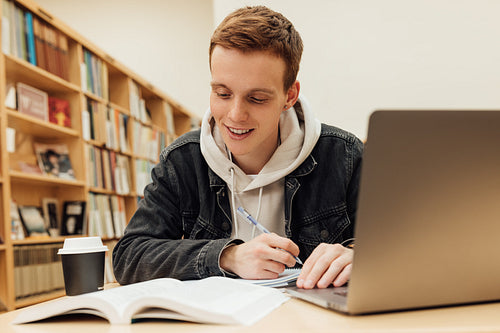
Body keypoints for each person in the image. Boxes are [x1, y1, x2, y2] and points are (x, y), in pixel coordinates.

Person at [113, 5, 363, 290]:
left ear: (289, 95)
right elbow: (129, 257)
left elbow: (400, 244)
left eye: (256, 98)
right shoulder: (181, 161)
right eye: (222, 93)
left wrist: (357, 255)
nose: (234, 115)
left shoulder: (344, 155)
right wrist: (227, 256)